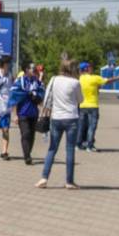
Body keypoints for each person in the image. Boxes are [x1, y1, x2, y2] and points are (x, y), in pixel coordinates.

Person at [37, 59, 83, 189]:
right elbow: (81, 100)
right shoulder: (75, 82)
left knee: (52, 148)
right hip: (71, 118)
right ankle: (69, 181)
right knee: (69, 150)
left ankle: (44, 178)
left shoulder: (54, 79)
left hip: (56, 118)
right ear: (73, 69)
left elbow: (47, 99)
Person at [77, 62, 119, 151]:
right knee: (92, 127)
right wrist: (118, 77)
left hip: (82, 106)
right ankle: (89, 146)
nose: (92, 69)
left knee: (81, 126)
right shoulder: (94, 78)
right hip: (93, 106)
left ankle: (78, 144)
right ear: (87, 69)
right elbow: (107, 81)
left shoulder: (80, 78)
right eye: (90, 67)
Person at [10, 63, 44, 165]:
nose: (33, 70)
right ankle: (27, 157)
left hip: (33, 113)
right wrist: (15, 115)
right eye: (31, 68)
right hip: (22, 113)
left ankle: (28, 152)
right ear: (26, 69)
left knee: (32, 136)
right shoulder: (20, 81)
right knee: (26, 134)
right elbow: (14, 98)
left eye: (34, 68)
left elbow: (42, 94)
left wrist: (36, 96)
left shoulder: (37, 82)